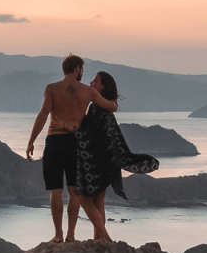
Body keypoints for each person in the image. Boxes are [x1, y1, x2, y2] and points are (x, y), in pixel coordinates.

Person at [26, 54, 118, 242]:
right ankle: (71, 235)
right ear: (77, 69)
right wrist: (114, 102)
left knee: (55, 191)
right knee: (75, 191)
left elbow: (43, 115)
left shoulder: (52, 89)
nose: (82, 73)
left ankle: (58, 234)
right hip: (76, 144)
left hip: (54, 140)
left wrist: (31, 140)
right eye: (82, 69)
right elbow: (110, 107)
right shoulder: (88, 92)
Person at [72, 70, 159, 240]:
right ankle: (99, 240)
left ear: (103, 87)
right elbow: (109, 137)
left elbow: (88, 134)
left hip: (95, 164)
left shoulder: (97, 108)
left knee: (83, 198)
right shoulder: (106, 109)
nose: (91, 83)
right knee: (98, 202)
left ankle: (104, 237)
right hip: (107, 164)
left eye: (95, 81)